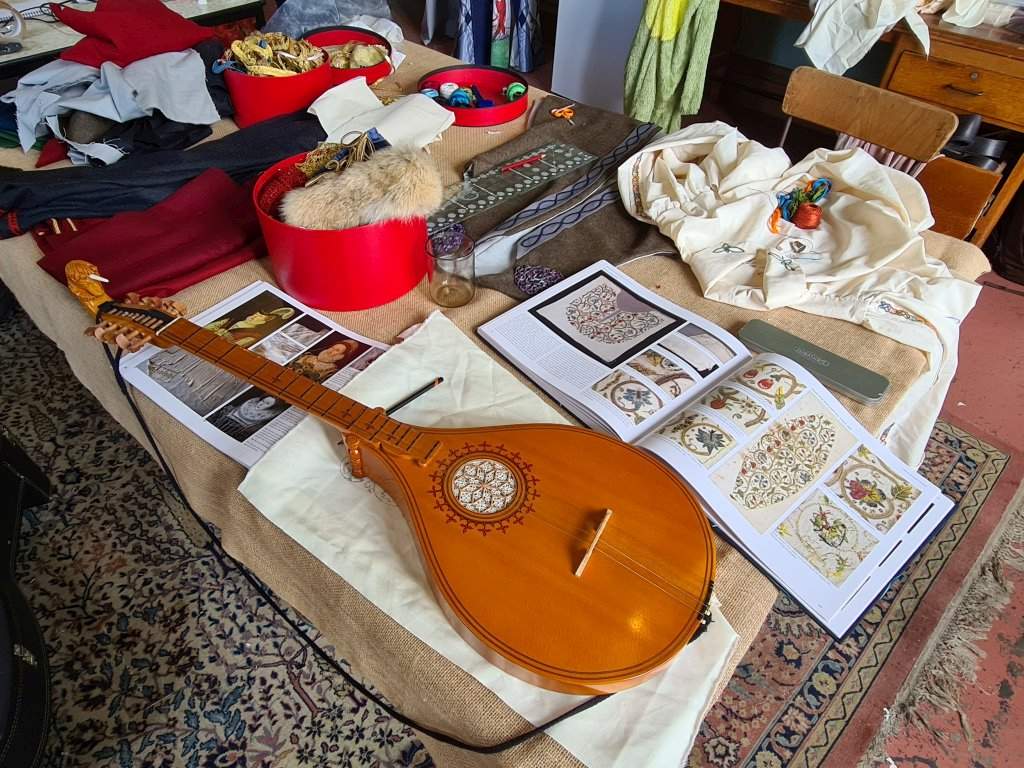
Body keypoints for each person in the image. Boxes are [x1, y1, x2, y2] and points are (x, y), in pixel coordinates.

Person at [204, 307, 296, 348]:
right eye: (256, 314)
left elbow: (232, 346)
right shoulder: (234, 319)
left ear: (264, 321)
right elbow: (210, 326)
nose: (254, 316)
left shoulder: (253, 335)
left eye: (259, 316)